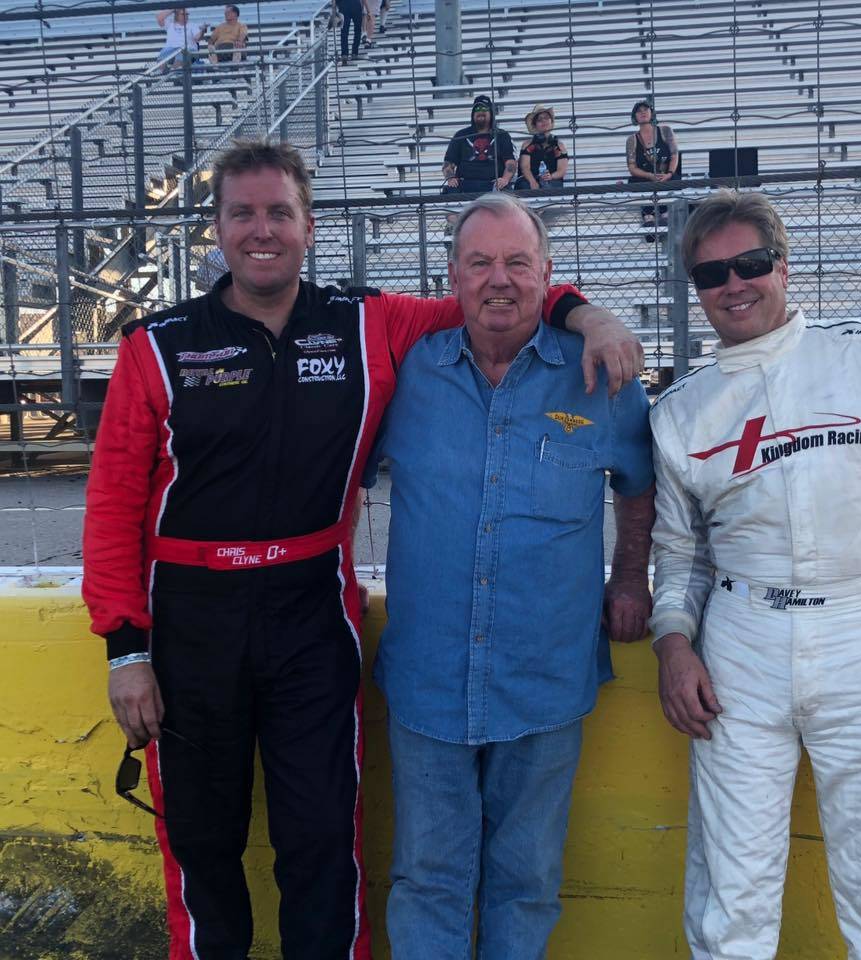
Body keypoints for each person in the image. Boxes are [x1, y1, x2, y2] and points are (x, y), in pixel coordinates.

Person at [82, 138, 643, 960]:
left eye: (280, 212)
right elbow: (113, 501)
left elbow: (498, 294)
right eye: (243, 213)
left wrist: (585, 311)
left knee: (321, 842)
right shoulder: (156, 345)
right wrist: (124, 648)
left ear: (310, 227)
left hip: (312, 612)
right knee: (201, 844)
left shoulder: (369, 323)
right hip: (190, 619)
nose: (262, 229)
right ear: (218, 228)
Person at [649, 189, 861, 959]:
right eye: (711, 274)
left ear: (783, 266)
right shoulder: (679, 412)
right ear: (695, 291)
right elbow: (678, 552)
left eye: (749, 264)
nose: (733, 286)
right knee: (730, 905)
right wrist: (672, 645)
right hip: (738, 646)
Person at [365, 192, 656, 959]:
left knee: (526, 879)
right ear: (451, 276)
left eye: (517, 262)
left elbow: (639, 482)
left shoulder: (601, 374)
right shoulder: (406, 374)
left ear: (548, 275)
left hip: (543, 677)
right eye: (480, 262)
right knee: (427, 876)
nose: (500, 279)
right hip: (429, 677)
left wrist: (629, 578)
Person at [442, 95, 516, 193]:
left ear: (491, 113)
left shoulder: (502, 135)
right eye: (477, 109)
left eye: (484, 108)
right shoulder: (461, 135)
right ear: (473, 114)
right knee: (450, 190)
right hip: (465, 183)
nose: (480, 111)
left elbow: (510, 163)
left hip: (493, 183)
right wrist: (450, 178)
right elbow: (448, 163)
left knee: (505, 192)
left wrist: (505, 179)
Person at [625, 98, 679, 226]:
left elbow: (674, 154)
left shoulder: (665, 131)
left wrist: (669, 173)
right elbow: (632, 167)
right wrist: (649, 175)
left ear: (652, 113)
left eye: (646, 110)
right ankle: (648, 217)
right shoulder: (632, 140)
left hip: (665, 176)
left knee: (673, 182)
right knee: (636, 183)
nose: (643, 113)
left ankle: (665, 214)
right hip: (645, 179)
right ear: (635, 117)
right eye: (639, 111)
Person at [516, 103, 568, 190]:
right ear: (535, 124)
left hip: (552, 181)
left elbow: (562, 170)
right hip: (528, 181)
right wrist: (532, 181)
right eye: (540, 120)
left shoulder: (559, 145)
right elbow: (525, 167)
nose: (544, 121)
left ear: (551, 122)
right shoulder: (527, 144)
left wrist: (551, 176)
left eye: (546, 118)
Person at [337, 0, 363, 65]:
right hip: (354, 4)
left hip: (344, 5)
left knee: (344, 32)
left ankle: (345, 54)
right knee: (357, 30)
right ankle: (354, 53)